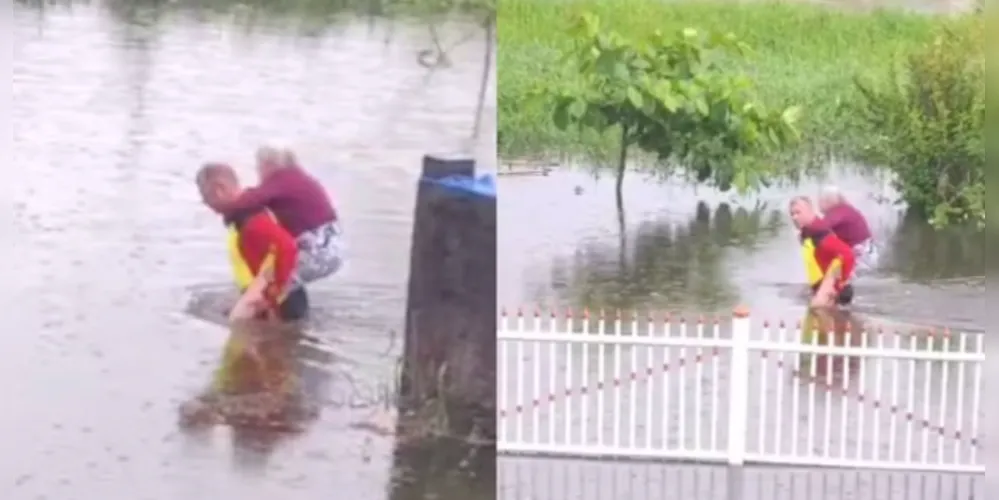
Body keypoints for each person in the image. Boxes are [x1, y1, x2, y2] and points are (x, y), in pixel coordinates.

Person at [212, 145, 344, 285]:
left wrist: (226, 212)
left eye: (258, 168)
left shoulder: (282, 178)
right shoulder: (299, 178)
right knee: (282, 281)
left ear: (268, 165)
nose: (258, 174)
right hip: (332, 250)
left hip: (317, 252)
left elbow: (251, 199)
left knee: (268, 286)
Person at [195, 162, 308, 322]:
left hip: (283, 303)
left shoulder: (251, 219)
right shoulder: (239, 219)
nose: (206, 204)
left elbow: (288, 247)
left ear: (219, 189)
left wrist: (272, 296)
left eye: (206, 197)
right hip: (270, 298)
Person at [789, 196, 857, 308]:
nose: (794, 217)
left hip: (833, 295)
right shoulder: (806, 233)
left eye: (798, 212)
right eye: (792, 214)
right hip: (823, 290)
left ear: (810, 211)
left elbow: (847, 254)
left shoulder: (819, 233)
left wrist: (828, 286)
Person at [818, 186, 878, 274]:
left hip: (860, 257)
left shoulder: (837, 212)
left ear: (828, 201)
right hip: (868, 253)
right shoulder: (847, 209)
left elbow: (820, 228)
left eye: (820, 201)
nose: (819, 205)